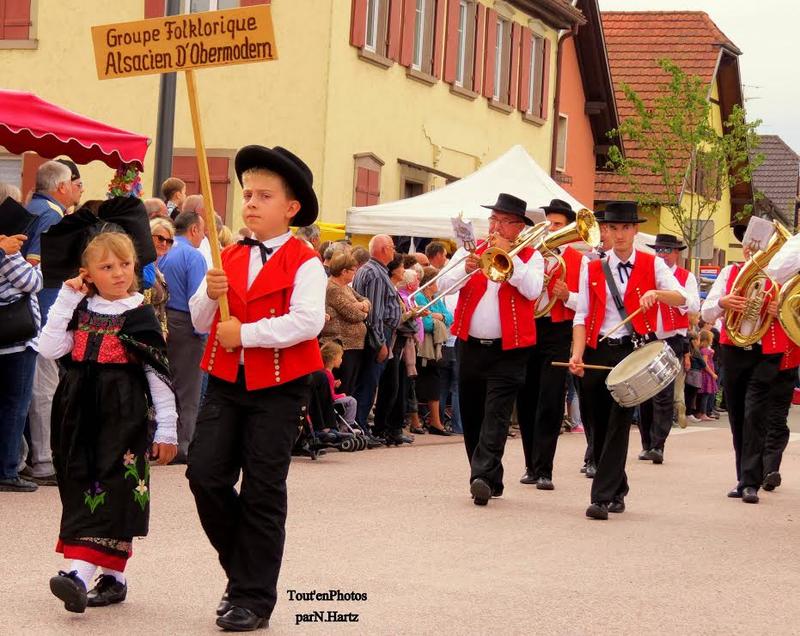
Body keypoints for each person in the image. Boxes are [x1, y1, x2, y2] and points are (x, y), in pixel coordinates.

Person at [187, 145, 326, 631]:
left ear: (291, 208)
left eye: (264, 196)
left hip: (281, 388)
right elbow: (199, 319)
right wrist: (210, 295)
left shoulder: (306, 261)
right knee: (204, 475)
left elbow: (308, 321)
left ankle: (252, 598)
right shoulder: (227, 254)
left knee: (263, 490)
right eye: (247, 194)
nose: (250, 203)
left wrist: (245, 334)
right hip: (227, 382)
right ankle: (243, 572)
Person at [38, 230, 177, 613]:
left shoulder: (140, 314)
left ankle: (77, 576)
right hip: (78, 414)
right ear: (88, 273)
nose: (118, 273)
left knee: (114, 488)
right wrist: (67, 297)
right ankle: (114, 578)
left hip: (123, 416)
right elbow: (49, 348)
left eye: (125, 264)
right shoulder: (80, 310)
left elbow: (158, 376)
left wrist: (167, 429)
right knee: (82, 485)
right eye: (107, 267)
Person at [569, 201, 687, 520]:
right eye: (613, 228)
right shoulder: (592, 267)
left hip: (632, 352)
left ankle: (601, 497)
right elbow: (581, 315)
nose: (619, 234)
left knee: (618, 423)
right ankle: (618, 487)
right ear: (605, 230)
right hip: (596, 349)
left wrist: (657, 294)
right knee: (596, 424)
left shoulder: (653, 264)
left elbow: (684, 299)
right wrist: (576, 354)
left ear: (635, 230)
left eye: (625, 228)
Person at [438, 193, 544, 506]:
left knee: (496, 415)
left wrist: (511, 258)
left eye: (503, 221)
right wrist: (466, 269)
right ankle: (489, 477)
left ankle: (481, 477)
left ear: (518, 227)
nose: (495, 227)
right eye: (493, 219)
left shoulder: (532, 255)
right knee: (472, 414)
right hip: (470, 346)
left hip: (509, 351)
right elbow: (443, 286)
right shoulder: (470, 250)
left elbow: (533, 290)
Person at [701, 219, 795, 504]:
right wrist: (723, 303)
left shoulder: (783, 277)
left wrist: (782, 309)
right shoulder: (729, 273)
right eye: (749, 244)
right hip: (734, 351)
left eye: (760, 246)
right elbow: (706, 313)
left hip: (766, 353)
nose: (752, 250)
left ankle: (751, 481)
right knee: (737, 415)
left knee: (755, 414)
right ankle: (743, 477)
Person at [517, 199, 585, 490]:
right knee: (526, 397)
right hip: (529, 327)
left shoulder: (580, 261)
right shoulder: (530, 254)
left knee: (550, 398)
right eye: (548, 225)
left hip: (557, 330)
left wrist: (568, 295)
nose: (551, 230)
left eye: (557, 225)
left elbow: (587, 306)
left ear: (569, 228)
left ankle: (545, 468)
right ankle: (531, 465)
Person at [23, 160, 83, 487]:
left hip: (28, 313)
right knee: (45, 389)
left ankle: (32, 456)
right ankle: (44, 460)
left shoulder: (32, 208)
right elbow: (35, 264)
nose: (76, 188)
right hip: (43, 312)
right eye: (73, 183)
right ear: (61, 186)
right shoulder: (52, 216)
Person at [637, 233, 700, 463]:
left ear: (676, 253)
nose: (662, 254)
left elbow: (694, 305)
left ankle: (658, 445)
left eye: (666, 250)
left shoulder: (685, 277)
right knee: (644, 393)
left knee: (664, 392)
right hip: (647, 336)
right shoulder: (647, 272)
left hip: (671, 339)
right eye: (658, 250)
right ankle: (646, 443)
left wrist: (667, 296)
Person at [158, 209, 208, 462]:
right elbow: (198, 299)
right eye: (203, 231)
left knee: (164, 384)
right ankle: (182, 446)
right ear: (194, 229)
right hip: (186, 323)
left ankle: (161, 440)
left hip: (163, 320)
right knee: (188, 389)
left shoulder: (164, 251)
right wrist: (201, 333)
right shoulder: (193, 256)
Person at [0, 224, 41, 493]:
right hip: (18, 340)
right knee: (15, 407)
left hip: (9, 340)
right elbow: (32, 283)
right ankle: (7, 470)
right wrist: (36, 266)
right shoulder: (8, 251)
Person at [351, 235, 401, 436]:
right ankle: (360, 426)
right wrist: (380, 343)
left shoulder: (369, 270)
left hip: (375, 333)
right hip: (377, 335)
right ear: (383, 249)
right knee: (369, 382)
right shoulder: (376, 274)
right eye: (392, 247)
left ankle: (359, 424)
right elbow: (375, 313)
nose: (394, 250)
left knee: (367, 381)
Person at [320, 253, 370, 395]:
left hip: (353, 346)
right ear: (344, 271)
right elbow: (353, 314)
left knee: (350, 385)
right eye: (353, 270)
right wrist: (363, 311)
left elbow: (366, 300)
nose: (355, 272)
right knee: (343, 386)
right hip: (342, 345)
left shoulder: (346, 287)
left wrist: (361, 305)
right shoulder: (332, 288)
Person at [413, 266, 453, 435]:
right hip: (423, 348)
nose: (439, 284)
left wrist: (438, 317)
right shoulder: (419, 297)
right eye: (436, 281)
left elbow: (450, 317)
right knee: (418, 384)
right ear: (429, 283)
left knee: (434, 383)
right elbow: (426, 324)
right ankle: (420, 421)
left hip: (435, 348)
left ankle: (435, 422)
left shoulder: (435, 299)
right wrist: (438, 320)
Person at [320, 340, 358, 429]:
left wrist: (333, 384)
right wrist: (341, 395)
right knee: (352, 401)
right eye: (340, 357)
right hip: (329, 401)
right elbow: (330, 396)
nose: (341, 360)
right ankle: (346, 426)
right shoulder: (328, 374)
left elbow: (325, 388)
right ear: (333, 358)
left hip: (326, 400)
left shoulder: (324, 372)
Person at [147, 218, 174, 337]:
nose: (164, 243)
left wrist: (164, 332)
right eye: (160, 238)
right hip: (145, 335)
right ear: (148, 236)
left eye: (169, 241)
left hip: (158, 335)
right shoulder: (140, 266)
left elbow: (161, 307)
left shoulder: (157, 270)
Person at [697, 330, 718, 420]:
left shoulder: (702, 349)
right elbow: (705, 363)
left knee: (704, 394)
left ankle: (700, 412)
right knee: (706, 394)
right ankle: (703, 413)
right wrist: (712, 374)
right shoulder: (705, 350)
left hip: (706, 373)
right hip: (707, 374)